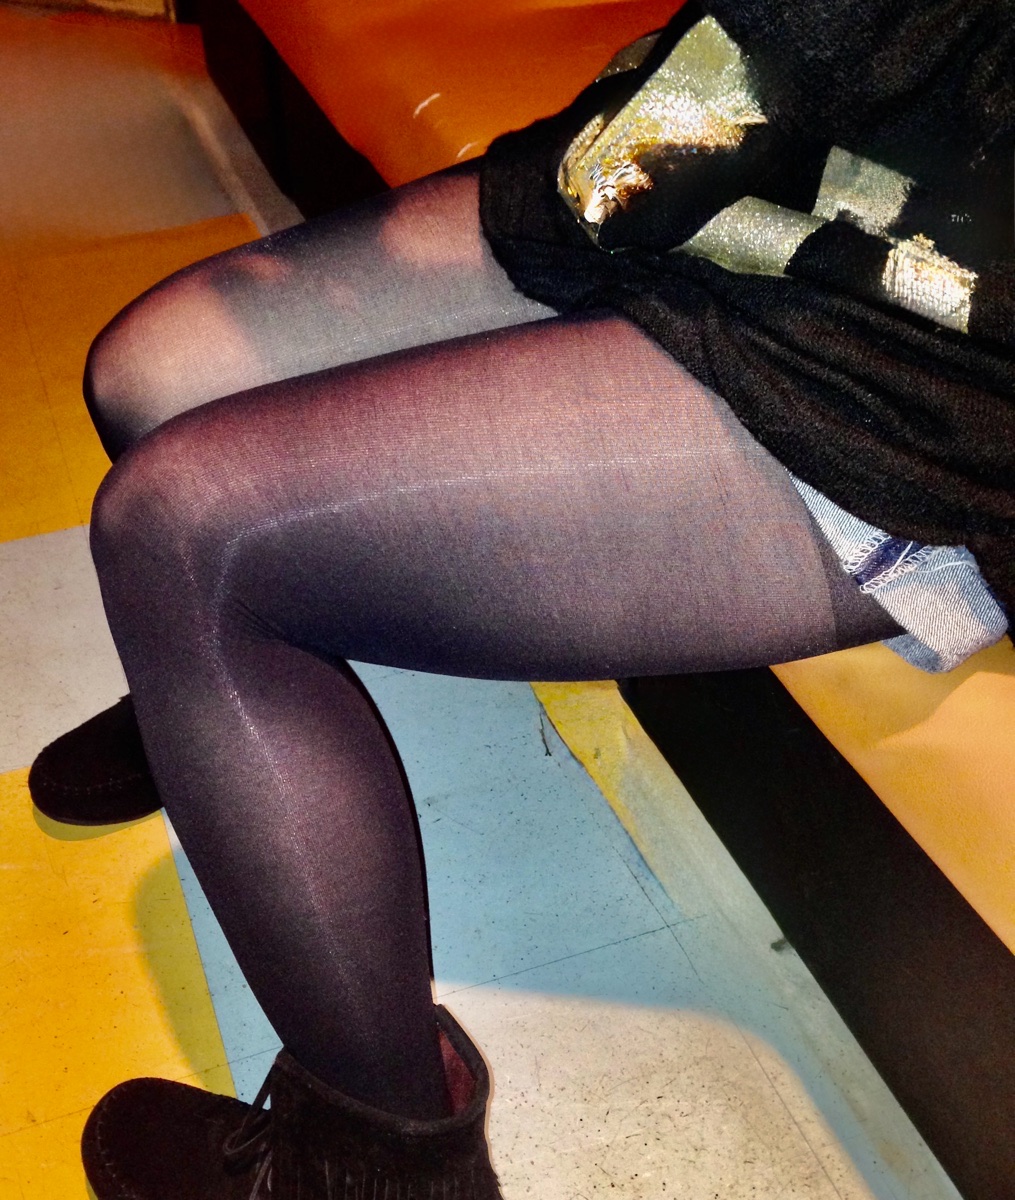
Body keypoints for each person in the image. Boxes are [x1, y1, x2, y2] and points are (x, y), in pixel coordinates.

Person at [45, 1, 1013, 1195]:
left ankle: (375, 1168)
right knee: (147, 372)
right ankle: (203, 708)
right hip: (736, 152)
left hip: (921, 348)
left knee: (184, 538)